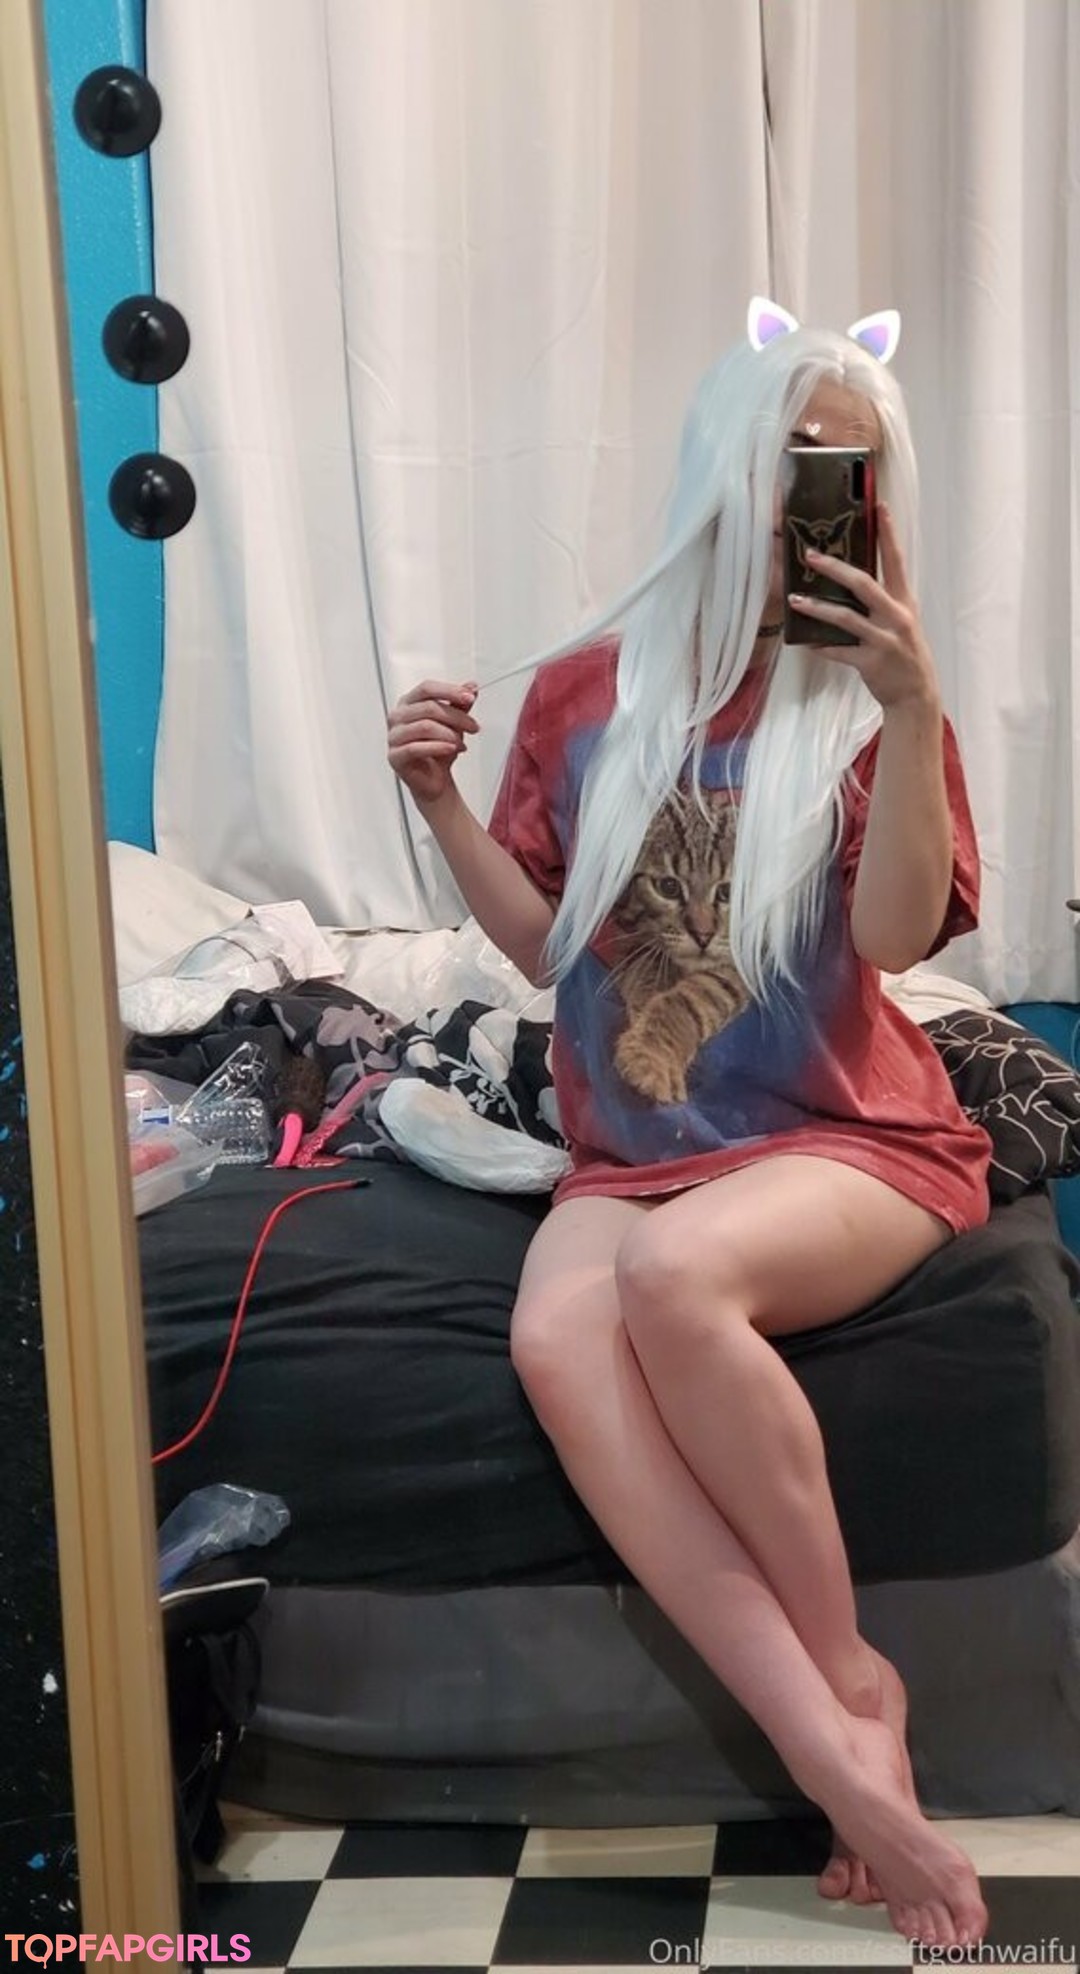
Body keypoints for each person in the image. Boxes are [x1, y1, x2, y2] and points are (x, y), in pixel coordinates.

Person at [386, 314, 993, 1952]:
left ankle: (848, 1684)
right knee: (553, 1339)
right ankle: (841, 1735)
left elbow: (893, 940)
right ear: (726, 470)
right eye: (792, 463)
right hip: (634, 1145)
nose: (817, 500)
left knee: (673, 1280)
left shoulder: (871, 695)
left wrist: (911, 707)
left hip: (847, 1136)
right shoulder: (593, 690)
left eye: (846, 470)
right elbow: (545, 949)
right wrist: (439, 805)